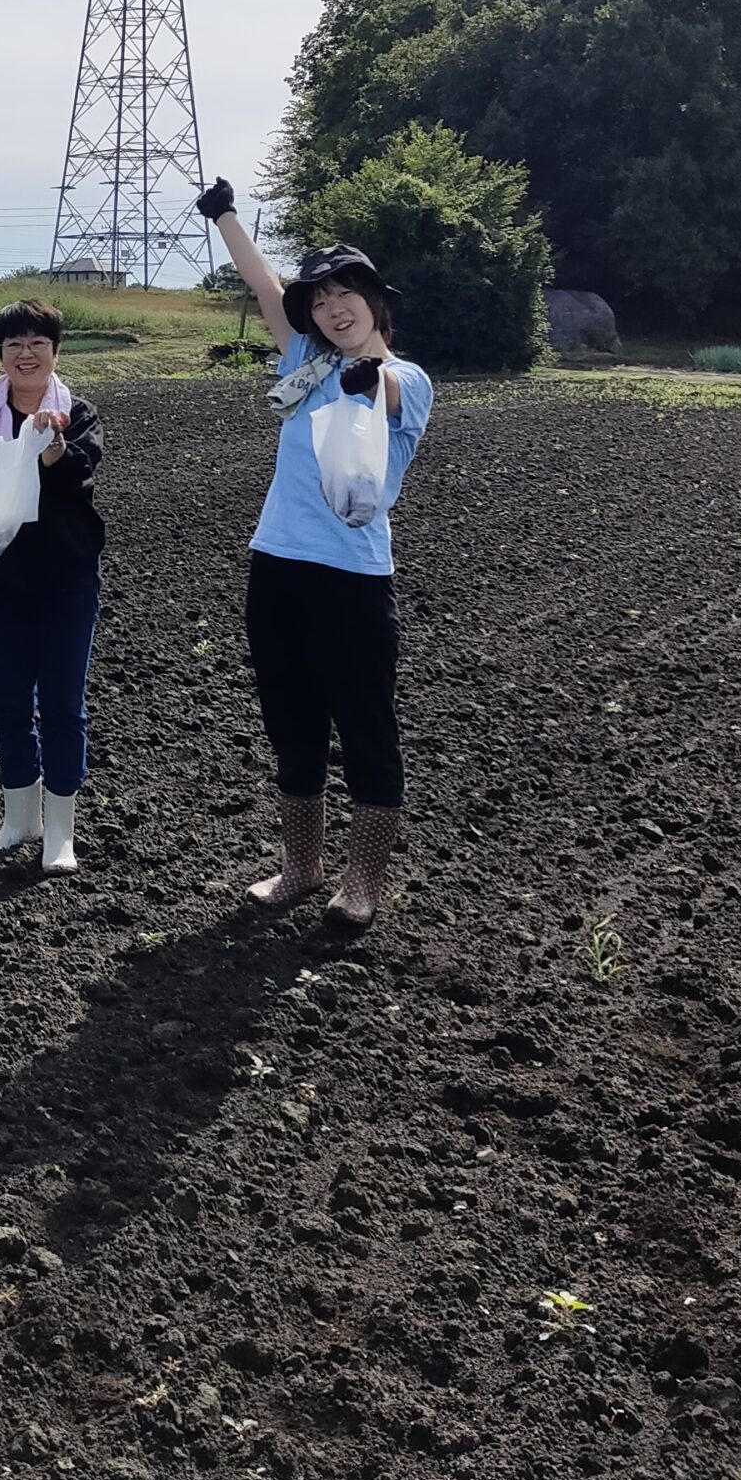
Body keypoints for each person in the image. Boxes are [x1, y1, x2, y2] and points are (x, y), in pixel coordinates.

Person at [197, 177, 433, 932]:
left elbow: (390, 390)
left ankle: (362, 882)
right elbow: (263, 285)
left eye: (347, 293)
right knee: (290, 723)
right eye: (323, 298)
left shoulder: (408, 379)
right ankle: (302, 867)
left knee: (365, 726)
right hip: (278, 568)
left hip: (355, 581)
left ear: (375, 302)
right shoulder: (301, 363)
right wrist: (225, 216)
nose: (334, 308)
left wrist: (370, 377)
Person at [0, 298, 104, 876]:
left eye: (37, 343)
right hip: (1, 582)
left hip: (65, 580)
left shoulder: (75, 414)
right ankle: (16, 823)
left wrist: (49, 445)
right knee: (8, 702)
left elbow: (78, 467)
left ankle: (60, 832)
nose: (25, 353)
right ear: (0, 355)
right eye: (14, 345)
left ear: (56, 352)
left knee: (61, 704)